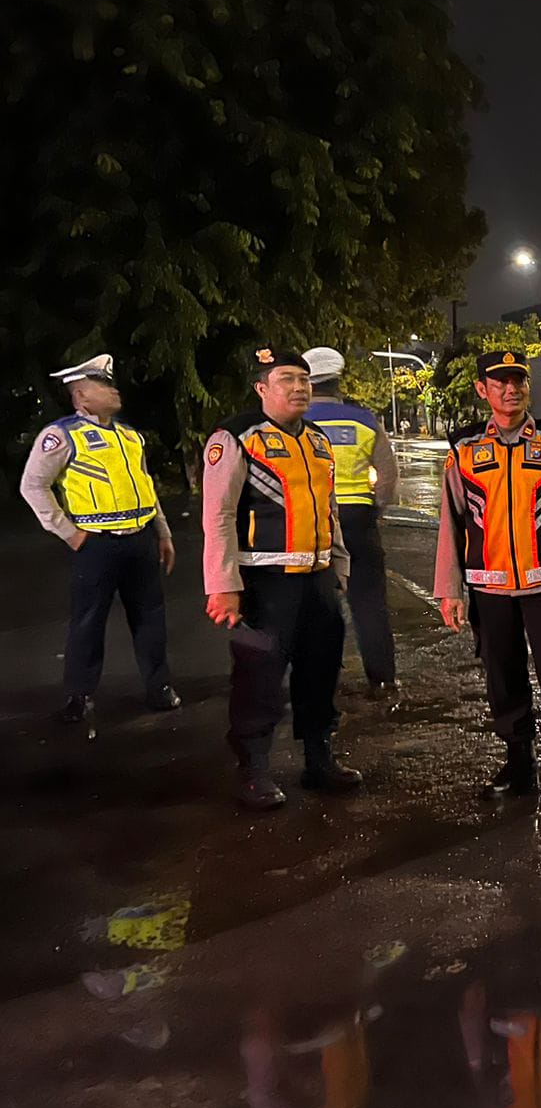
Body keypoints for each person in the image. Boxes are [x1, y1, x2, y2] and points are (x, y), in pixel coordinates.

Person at [433, 351, 541, 808]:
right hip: (489, 589)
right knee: (502, 680)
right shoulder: (464, 449)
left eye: (518, 380)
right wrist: (449, 589)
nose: (511, 389)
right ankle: (519, 763)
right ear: (483, 390)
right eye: (500, 382)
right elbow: (451, 520)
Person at [203, 347, 361, 811]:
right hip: (263, 583)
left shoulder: (316, 440)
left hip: (316, 579)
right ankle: (252, 770)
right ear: (261, 388)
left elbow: (330, 509)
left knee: (321, 671)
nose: (298, 387)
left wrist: (340, 565)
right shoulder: (235, 437)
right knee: (259, 679)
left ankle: (319, 759)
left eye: (304, 379)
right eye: (286, 379)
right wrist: (223, 585)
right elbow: (218, 516)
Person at [19, 354, 181, 722]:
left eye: (111, 382)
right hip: (96, 544)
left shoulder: (129, 436)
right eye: (104, 384)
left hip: (140, 540)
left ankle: (159, 687)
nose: (114, 389)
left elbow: (146, 487)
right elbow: (33, 486)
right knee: (88, 622)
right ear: (81, 396)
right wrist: (70, 533)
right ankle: (80, 695)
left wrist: (164, 533)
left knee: (151, 619)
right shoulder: (61, 435)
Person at [303, 347, 401, 699]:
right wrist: (376, 509)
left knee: (316, 604)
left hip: (312, 523)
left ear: (309, 383)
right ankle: (383, 679)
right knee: (370, 604)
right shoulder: (363, 420)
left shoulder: (295, 423)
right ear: (338, 381)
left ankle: (320, 682)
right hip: (359, 519)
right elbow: (388, 475)